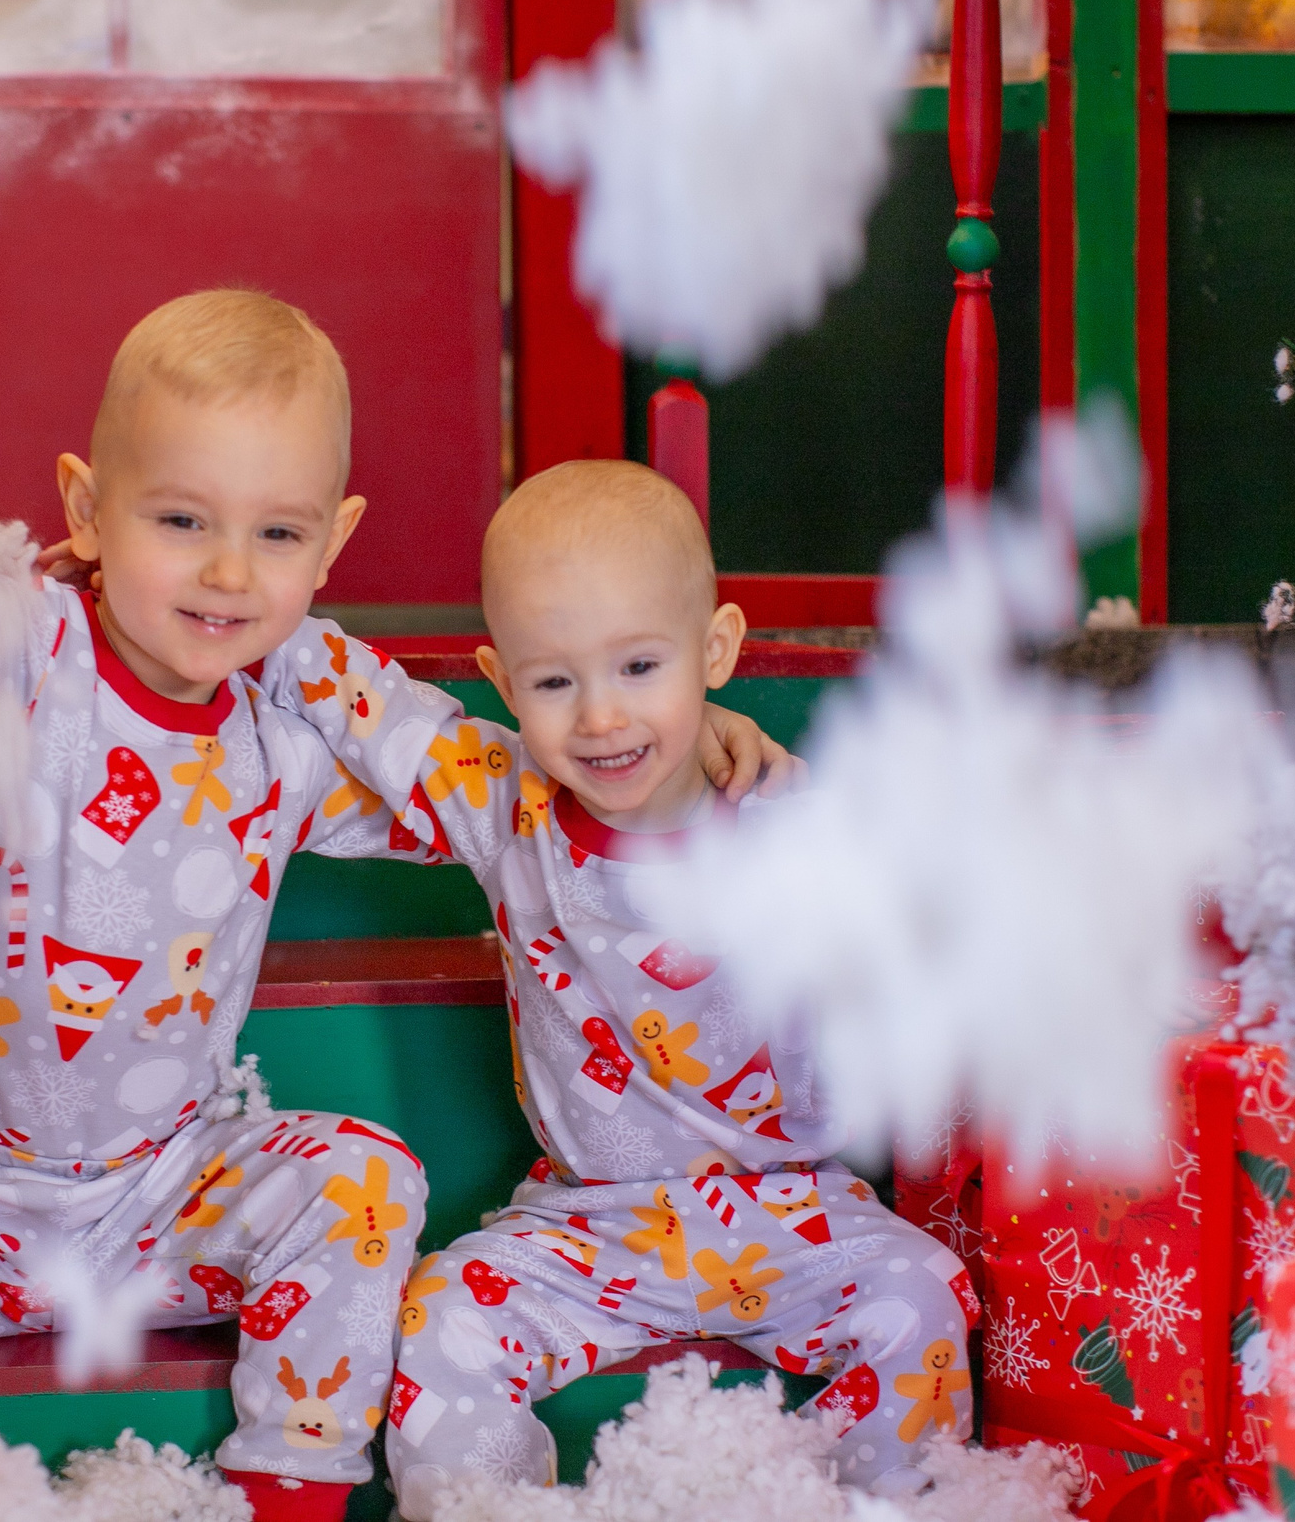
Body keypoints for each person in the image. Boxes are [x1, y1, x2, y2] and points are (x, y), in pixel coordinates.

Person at [0, 261, 793, 1522]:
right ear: (88, 511)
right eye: (181, 521)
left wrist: (681, 734)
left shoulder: (282, 737)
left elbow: (501, 795)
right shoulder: (22, 652)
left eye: (277, 533)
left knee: (363, 1176)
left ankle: (283, 1493)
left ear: (332, 545)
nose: (228, 574)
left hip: (164, 1200)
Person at [267, 460, 975, 1517]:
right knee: (439, 1321)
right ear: (502, 686)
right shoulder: (508, 804)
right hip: (590, 1220)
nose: (600, 717)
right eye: (553, 682)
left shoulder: (792, 824)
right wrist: (213, 606)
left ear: (715, 652)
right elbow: (365, 703)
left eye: (640, 666)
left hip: (792, 1212)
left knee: (922, 1299)